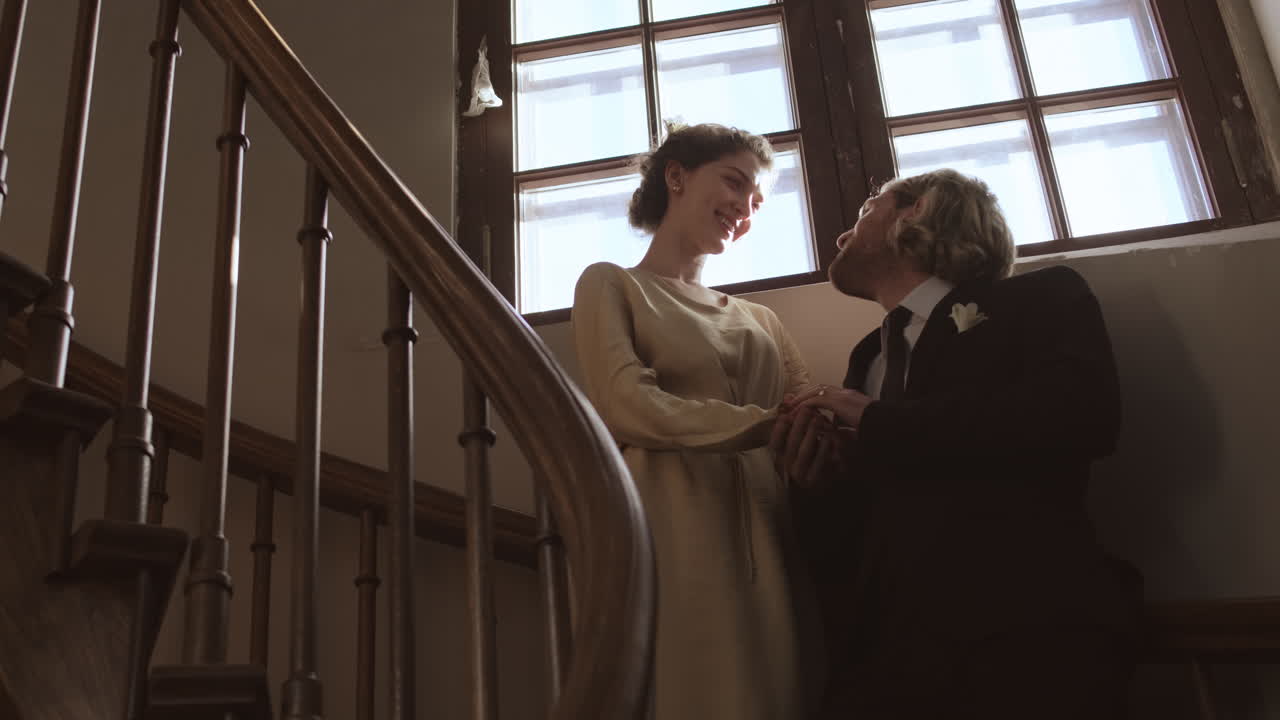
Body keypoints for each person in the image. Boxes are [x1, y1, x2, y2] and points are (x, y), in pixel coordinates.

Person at [772, 169, 1143, 719]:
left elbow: (1083, 415)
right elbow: (863, 533)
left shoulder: (1041, 298)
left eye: (865, 208)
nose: (840, 236)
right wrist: (817, 486)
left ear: (913, 211)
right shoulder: (867, 358)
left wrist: (879, 422)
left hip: (1029, 640)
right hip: (889, 663)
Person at [572, 124, 819, 720]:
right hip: (669, 522)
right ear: (676, 177)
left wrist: (813, 432)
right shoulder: (611, 284)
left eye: (756, 201)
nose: (744, 207)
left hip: (771, 526)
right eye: (734, 182)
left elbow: (807, 412)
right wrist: (764, 424)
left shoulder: (761, 318)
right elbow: (626, 403)